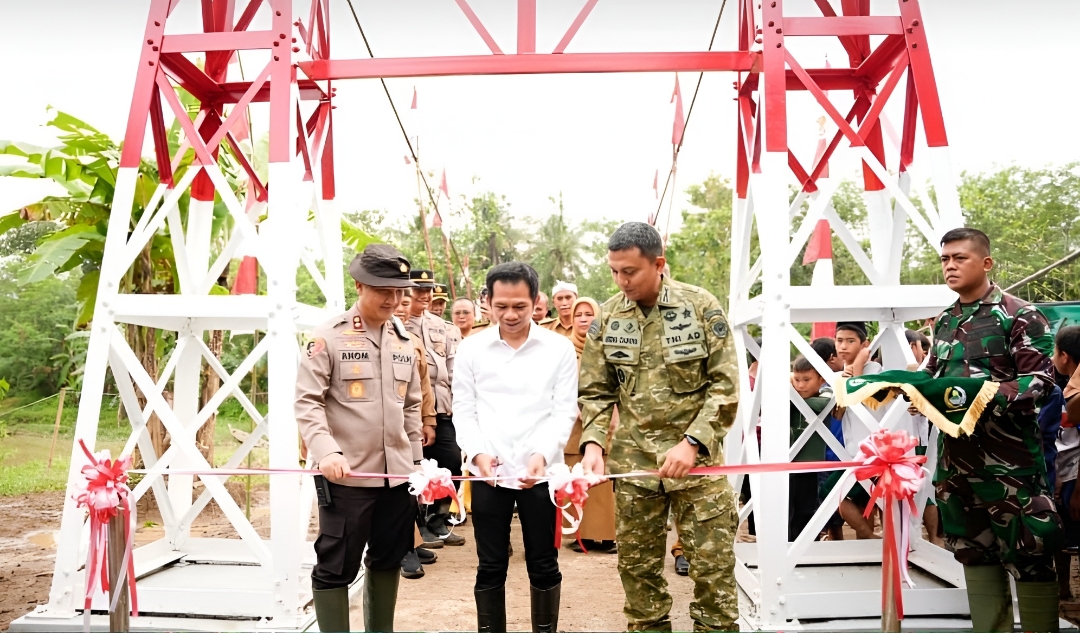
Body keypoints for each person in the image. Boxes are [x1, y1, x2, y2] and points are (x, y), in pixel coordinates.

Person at [579, 222, 740, 631]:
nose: (621, 280)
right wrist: (593, 445)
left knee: (714, 577)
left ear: (658, 264)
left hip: (698, 468)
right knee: (639, 579)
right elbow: (596, 392)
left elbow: (725, 386)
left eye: (630, 271)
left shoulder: (700, 307)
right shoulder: (608, 317)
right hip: (635, 469)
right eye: (614, 271)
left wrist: (692, 442)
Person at [926, 227, 1062, 632]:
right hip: (958, 464)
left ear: (986, 263)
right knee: (973, 552)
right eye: (945, 259)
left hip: (1010, 466)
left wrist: (979, 394)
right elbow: (932, 376)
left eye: (960, 258)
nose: (950, 266)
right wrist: (910, 389)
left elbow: (1041, 381)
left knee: (1031, 550)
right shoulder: (946, 320)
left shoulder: (1020, 315)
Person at [295, 244, 424, 633]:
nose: (393, 300)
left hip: (397, 477)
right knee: (336, 565)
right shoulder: (328, 338)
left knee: (388, 558)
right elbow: (308, 402)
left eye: (399, 291)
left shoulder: (404, 340)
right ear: (359, 286)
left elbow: (411, 407)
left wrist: (417, 465)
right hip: (347, 476)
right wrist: (326, 452)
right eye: (383, 290)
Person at [453, 262, 579, 633]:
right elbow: (464, 409)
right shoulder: (471, 349)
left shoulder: (558, 348)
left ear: (536, 301)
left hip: (541, 473)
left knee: (543, 562)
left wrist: (542, 455)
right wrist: (477, 453)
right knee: (490, 564)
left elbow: (564, 409)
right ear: (488, 302)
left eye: (520, 306)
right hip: (488, 472)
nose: (510, 314)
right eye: (502, 306)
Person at [406, 270, 466, 546]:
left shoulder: (445, 328)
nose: (425, 294)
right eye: (418, 289)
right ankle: (418, 525)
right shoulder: (397, 324)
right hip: (410, 409)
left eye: (428, 289)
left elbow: (455, 369)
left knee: (451, 462)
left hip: (442, 406)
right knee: (414, 469)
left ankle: (438, 518)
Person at [561, 296, 617, 554]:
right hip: (573, 423)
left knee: (603, 481)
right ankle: (581, 534)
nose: (583, 319)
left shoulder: (608, 345)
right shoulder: (564, 350)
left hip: (607, 419)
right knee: (577, 474)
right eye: (578, 314)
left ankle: (607, 535)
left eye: (588, 314)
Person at [392, 291, 441, 578]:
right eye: (396, 301)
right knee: (398, 490)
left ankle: (413, 540)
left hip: (408, 425)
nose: (401, 308)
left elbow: (422, 388)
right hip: (382, 430)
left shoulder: (412, 341)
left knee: (413, 484)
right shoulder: (361, 338)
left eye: (406, 303)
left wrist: (427, 420)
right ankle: (404, 548)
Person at [903, 328, 944, 547]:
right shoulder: (892, 372)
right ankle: (916, 539)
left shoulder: (930, 371)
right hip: (908, 442)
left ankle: (934, 539)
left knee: (928, 489)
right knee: (920, 489)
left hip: (927, 439)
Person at [789, 356, 835, 542]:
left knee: (807, 509)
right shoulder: (791, 397)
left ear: (821, 379)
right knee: (790, 510)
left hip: (811, 465)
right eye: (796, 379)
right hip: (790, 464)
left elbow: (824, 404)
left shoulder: (826, 393)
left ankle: (806, 546)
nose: (800, 385)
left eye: (806, 380)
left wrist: (791, 396)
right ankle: (791, 545)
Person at [1051, 325, 1080, 599]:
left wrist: (1078, 491)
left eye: (1054, 351)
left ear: (1064, 356)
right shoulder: (1054, 389)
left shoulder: (1075, 397)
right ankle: (1063, 589)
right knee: (1059, 536)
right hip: (1058, 475)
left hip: (1074, 478)